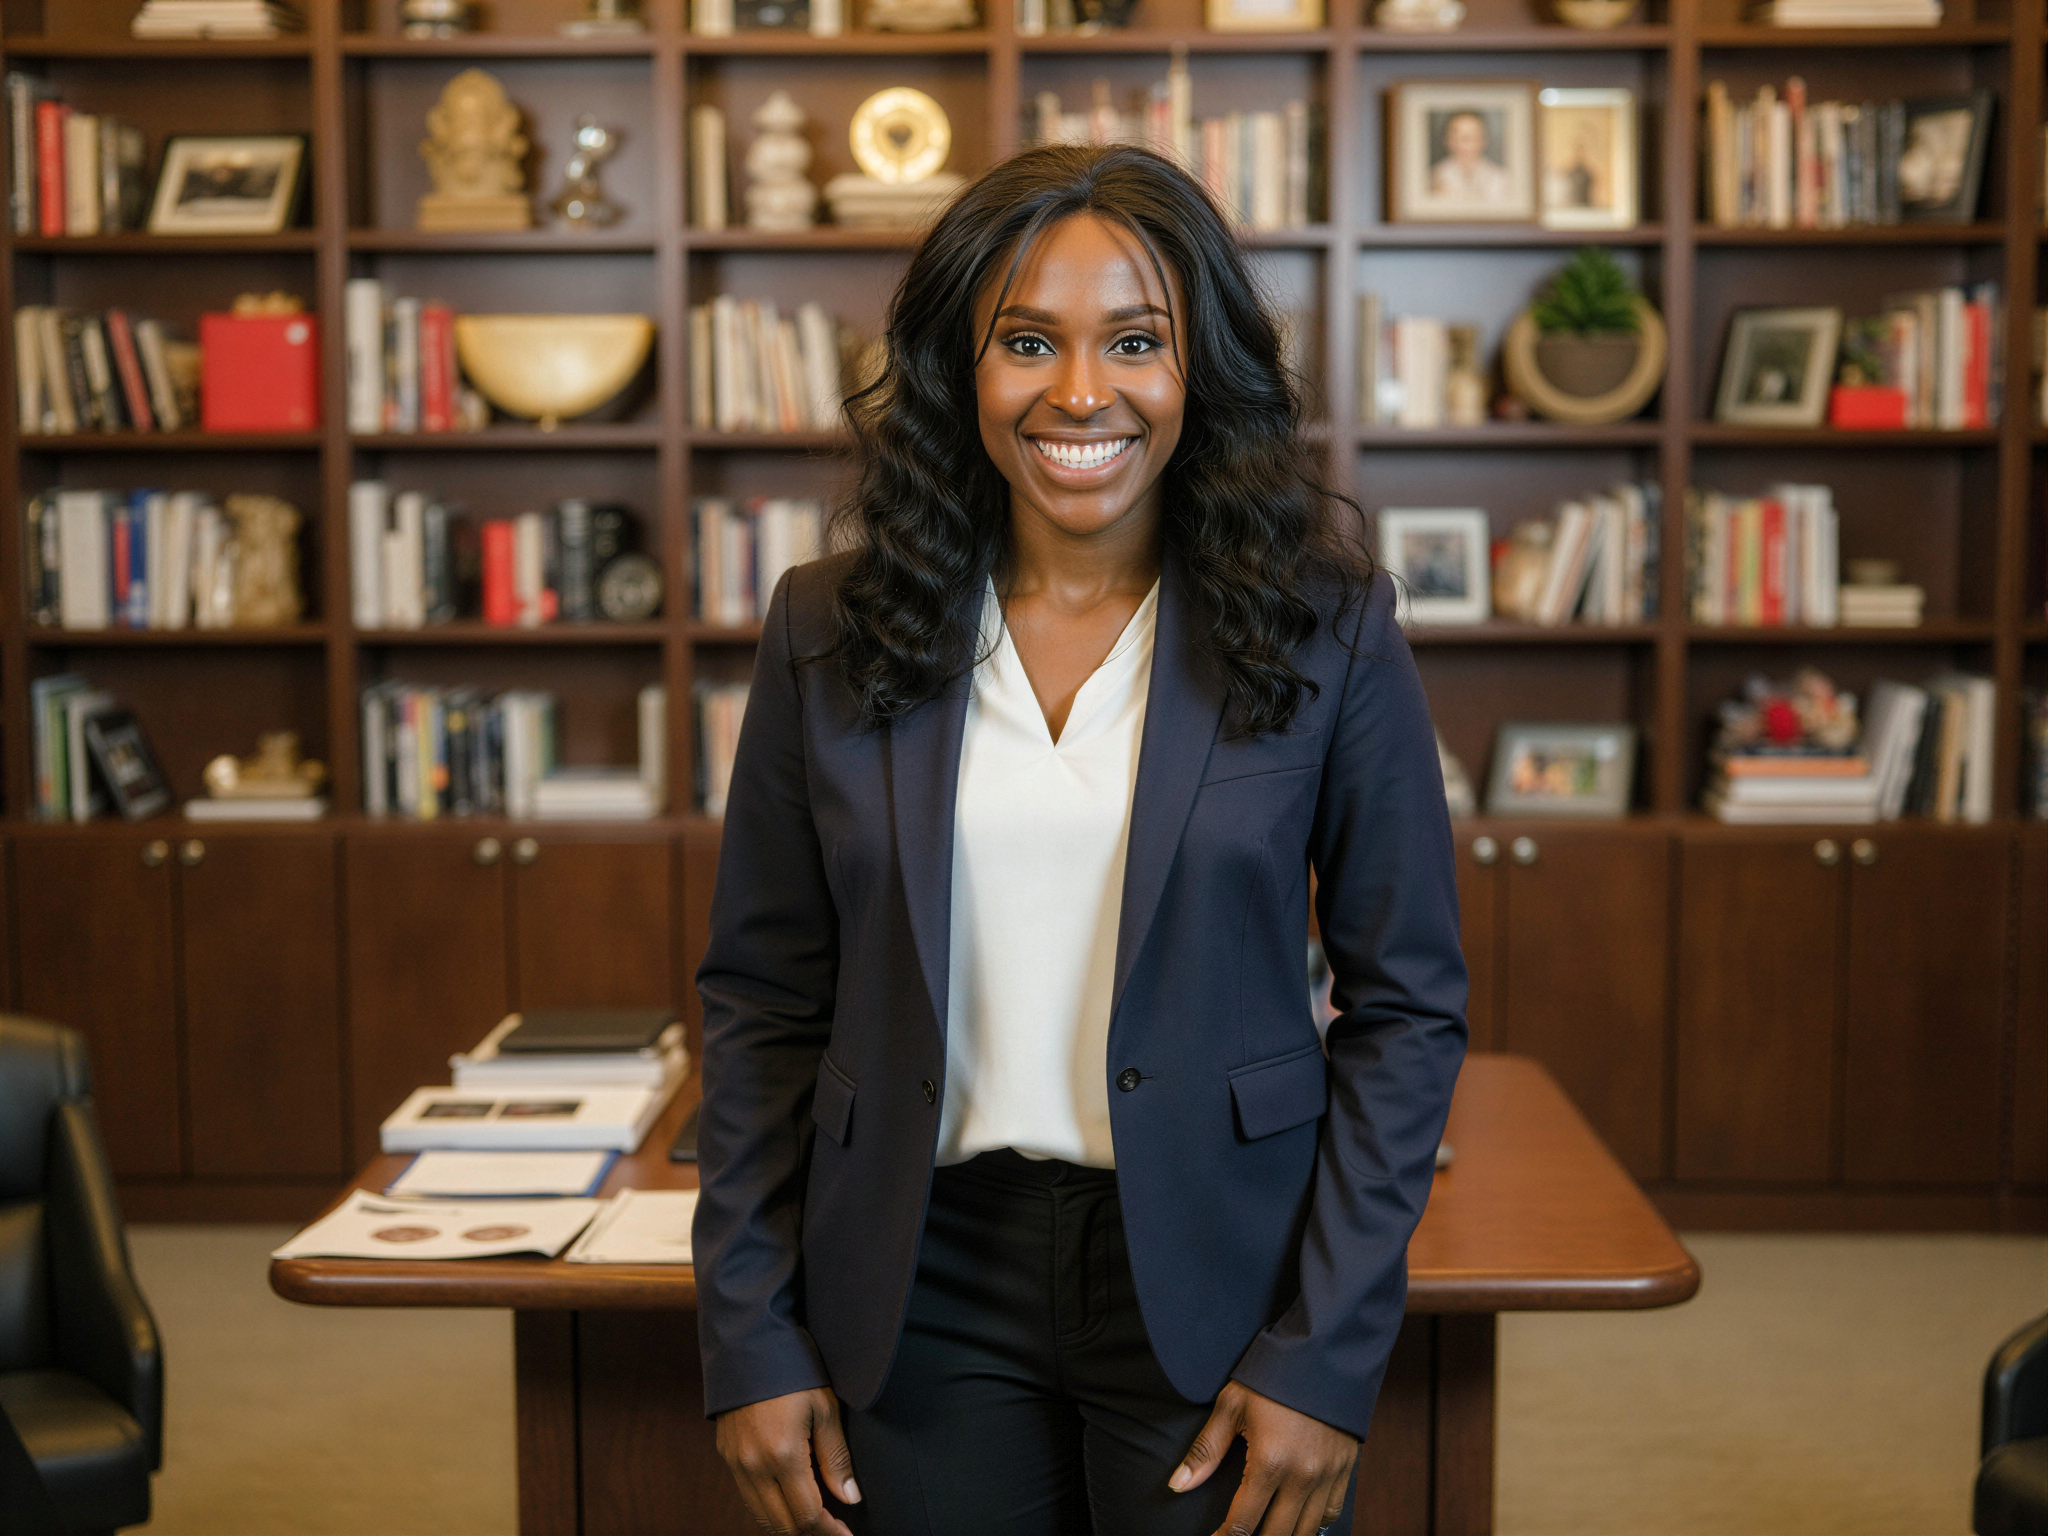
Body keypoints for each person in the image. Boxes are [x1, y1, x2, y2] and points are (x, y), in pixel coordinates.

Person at [693, 141, 1468, 1536]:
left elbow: (1407, 1009)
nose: (1079, 392)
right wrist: (747, 1332)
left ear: (1200, 370)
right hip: (918, 1277)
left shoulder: (1328, 628)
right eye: (1026, 342)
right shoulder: (825, 625)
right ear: (958, 369)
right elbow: (761, 1005)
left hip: (1222, 1273)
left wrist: (1328, 1355)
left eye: (1135, 341)